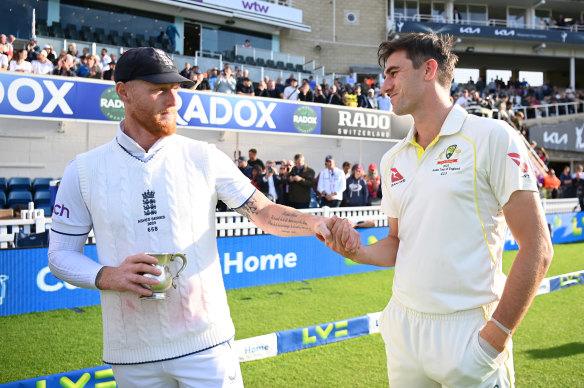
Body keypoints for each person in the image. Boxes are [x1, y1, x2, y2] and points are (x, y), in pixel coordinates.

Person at [47, 47, 358, 388]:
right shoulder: (83, 171)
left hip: (207, 346)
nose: (173, 100)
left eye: (176, 89)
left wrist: (316, 224)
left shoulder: (203, 156)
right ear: (123, 91)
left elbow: (265, 212)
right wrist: (107, 276)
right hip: (131, 354)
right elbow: (60, 255)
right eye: (158, 89)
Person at [325, 32, 553, 387]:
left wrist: (496, 337)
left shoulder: (492, 137)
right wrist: (357, 251)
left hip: (468, 331)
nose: (383, 86)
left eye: (393, 73)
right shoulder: (392, 159)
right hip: (404, 329)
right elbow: (399, 243)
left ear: (429, 69)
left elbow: (538, 249)